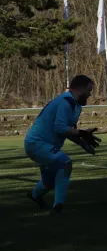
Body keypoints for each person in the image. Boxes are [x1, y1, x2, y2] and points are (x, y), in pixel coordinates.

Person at [24, 75, 101, 215]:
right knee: (65, 163)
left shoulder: (75, 105)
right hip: (36, 143)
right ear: (80, 88)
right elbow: (59, 128)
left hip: (43, 145)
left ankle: (35, 195)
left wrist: (83, 143)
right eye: (89, 90)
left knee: (49, 181)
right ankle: (58, 208)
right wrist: (82, 133)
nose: (90, 94)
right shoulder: (66, 102)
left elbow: (68, 131)